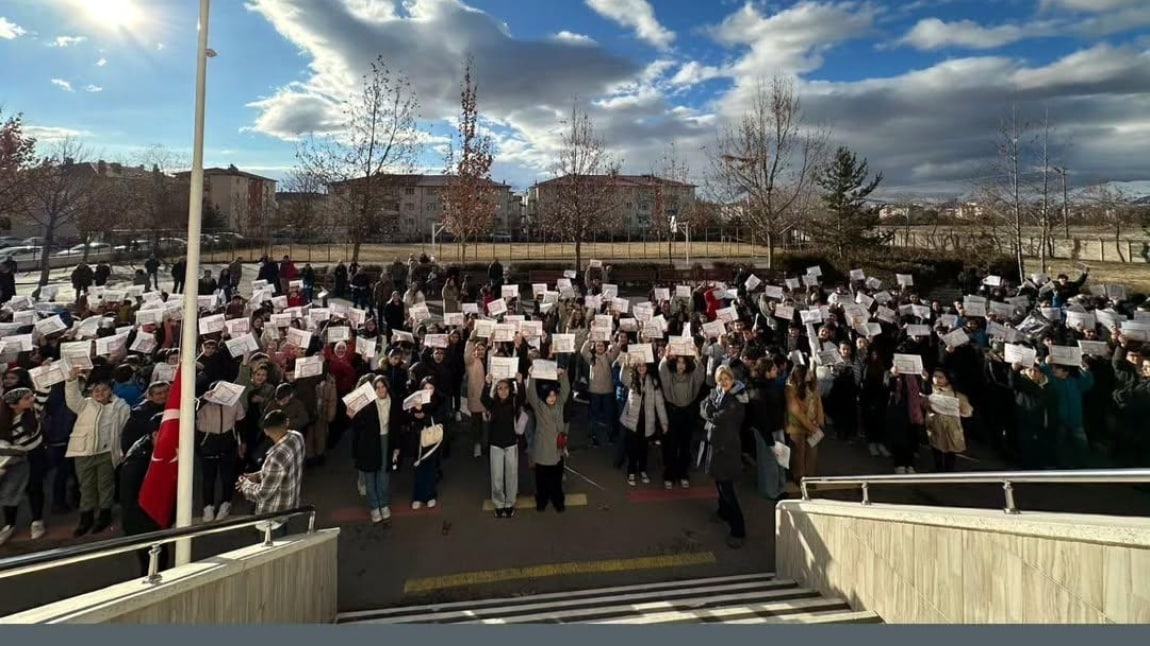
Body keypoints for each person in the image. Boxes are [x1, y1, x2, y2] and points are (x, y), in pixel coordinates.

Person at [64, 370, 131, 537]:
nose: (100, 394)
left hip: (107, 452)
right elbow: (72, 397)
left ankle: (104, 515)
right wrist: (72, 380)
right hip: (84, 451)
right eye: (96, 391)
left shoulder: (121, 407)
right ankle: (86, 517)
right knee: (86, 486)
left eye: (104, 390)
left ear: (111, 390)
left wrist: (121, 451)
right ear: (90, 392)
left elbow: (124, 430)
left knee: (105, 485)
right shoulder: (84, 405)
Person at [236, 410, 305, 538]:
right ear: (287, 422)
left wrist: (246, 484)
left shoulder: (275, 457)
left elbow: (262, 494)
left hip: (272, 515)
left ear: (266, 431)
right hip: (289, 504)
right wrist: (256, 476)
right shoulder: (297, 438)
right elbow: (280, 471)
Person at [701, 365, 748, 549]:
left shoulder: (736, 399)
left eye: (726, 378)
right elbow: (702, 407)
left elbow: (719, 417)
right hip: (717, 445)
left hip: (727, 447)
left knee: (726, 487)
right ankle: (723, 512)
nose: (724, 382)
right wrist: (708, 411)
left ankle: (738, 530)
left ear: (732, 379)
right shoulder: (716, 393)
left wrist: (709, 412)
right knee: (719, 482)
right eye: (720, 379)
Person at [119, 413, 171, 577]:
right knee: (152, 562)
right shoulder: (138, 460)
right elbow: (130, 498)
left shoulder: (152, 450)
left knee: (160, 558)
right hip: (141, 522)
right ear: (155, 434)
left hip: (154, 517)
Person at [480, 372, 526, 518]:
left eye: (506, 388)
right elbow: (483, 398)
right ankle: (499, 503)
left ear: (510, 389)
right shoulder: (492, 403)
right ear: (496, 390)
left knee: (511, 475)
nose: (503, 391)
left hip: (511, 444)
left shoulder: (514, 401)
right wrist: (487, 384)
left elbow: (522, 398)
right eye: (499, 388)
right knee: (497, 477)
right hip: (496, 445)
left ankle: (510, 503)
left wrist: (520, 382)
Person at [349, 376, 393, 524]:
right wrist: (353, 414)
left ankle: (384, 503)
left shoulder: (393, 402)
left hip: (386, 440)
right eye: (377, 388)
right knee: (369, 476)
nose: (381, 390)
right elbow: (358, 425)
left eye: (383, 387)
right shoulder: (367, 404)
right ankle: (374, 507)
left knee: (383, 476)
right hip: (369, 443)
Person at [526, 367, 570, 512]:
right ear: (544, 396)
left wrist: (563, 375)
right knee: (542, 479)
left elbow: (566, 390)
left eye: (553, 395)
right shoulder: (539, 407)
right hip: (543, 449)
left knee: (556, 479)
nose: (552, 398)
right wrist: (531, 376)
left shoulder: (560, 403)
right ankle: (542, 501)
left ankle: (558, 501)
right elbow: (531, 393)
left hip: (557, 449)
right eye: (549, 395)